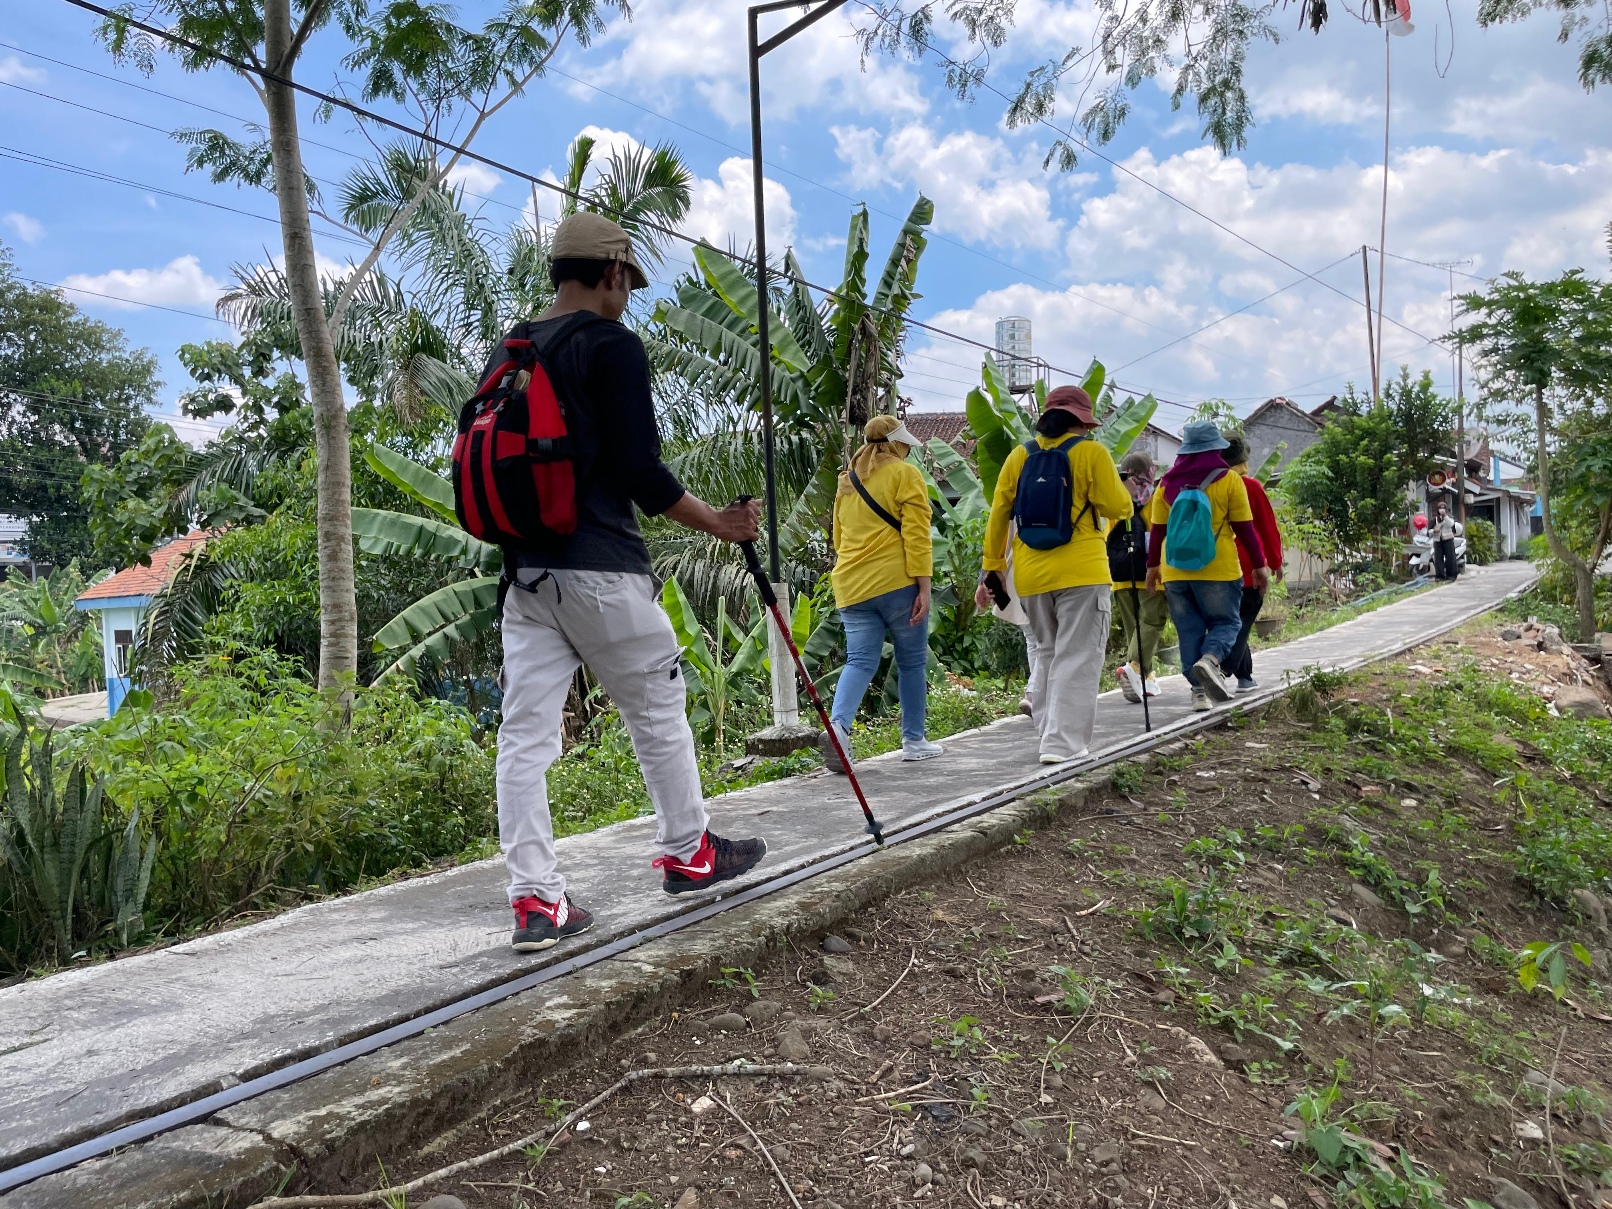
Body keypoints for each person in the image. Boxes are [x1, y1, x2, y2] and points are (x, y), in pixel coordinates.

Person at [490, 212, 767, 953]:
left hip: (525, 576)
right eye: (628, 282)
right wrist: (720, 522)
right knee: (657, 705)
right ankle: (689, 851)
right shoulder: (611, 346)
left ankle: (536, 902)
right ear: (612, 273)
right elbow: (643, 476)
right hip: (600, 568)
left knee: (523, 736)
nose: (627, 297)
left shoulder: (515, 347)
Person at [982, 386, 1133, 764]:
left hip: (1031, 575)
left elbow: (999, 514)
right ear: (1082, 421)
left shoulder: (1019, 456)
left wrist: (994, 569)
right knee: (1078, 655)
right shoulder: (1092, 452)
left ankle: (1049, 734)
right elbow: (1120, 506)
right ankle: (1062, 745)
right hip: (1082, 571)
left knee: (1048, 653)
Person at [822, 415, 942, 771]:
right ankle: (914, 740)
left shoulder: (847, 482)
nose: (907, 450)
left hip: (851, 587)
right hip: (896, 583)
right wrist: (924, 587)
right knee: (911, 662)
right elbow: (917, 536)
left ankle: (839, 729)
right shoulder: (905, 475)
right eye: (904, 444)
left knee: (859, 661)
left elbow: (839, 541)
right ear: (895, 444)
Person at [1144, 421, 1271, 712]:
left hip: (1175, 570)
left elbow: (1157, 531)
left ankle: (1199, 693)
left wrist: (1152, 568)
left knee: (1188, 630)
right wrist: (1260, 566)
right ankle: (1211, 660)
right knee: (1227, 622)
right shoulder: (1228, 480)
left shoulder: (1166, 484)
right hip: (1219, 568)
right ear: (1217, 449)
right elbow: (1246, 529)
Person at [1219, 435, 1283, 694]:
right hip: (1249, 567)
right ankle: (1220, 670)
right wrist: (1275, 562)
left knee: (1233, 621)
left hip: (1218, 566)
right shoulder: (1251, 486)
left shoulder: (1211, 485)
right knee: (1241, 622)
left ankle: (1245, 677)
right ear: (1244, 459)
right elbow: (1267, 527)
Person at [1108, 451, 1166, 704]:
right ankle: (1133, 667)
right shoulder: (1156, 494)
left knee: (1135, 628)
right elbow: (1160, 528)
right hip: (1150, 569)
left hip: (1119, 572)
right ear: (1149, 471)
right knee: (1152, 622)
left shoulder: (1113, 492)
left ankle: (1146, 679)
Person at [1429, 499, 1462, 581]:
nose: (1441, 509)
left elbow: (1451, 524)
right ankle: (1440, 576)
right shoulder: (1434, 519)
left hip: (1448, 539)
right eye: (1440, 508)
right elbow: (1428, 531)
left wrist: (1445, 516)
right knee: (1438, 558)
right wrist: (1434, 531)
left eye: (1443, 508)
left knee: (1450, 557)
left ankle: (1451, 575)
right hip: (1437, 540)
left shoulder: (1450, 517)